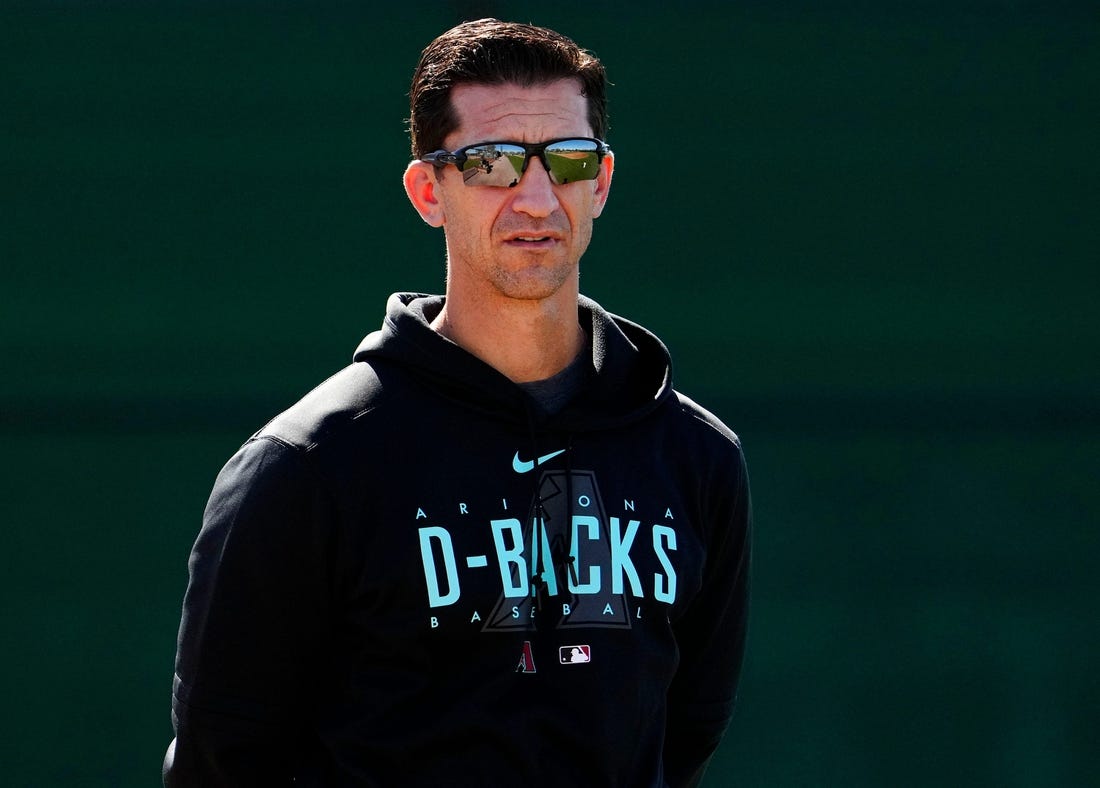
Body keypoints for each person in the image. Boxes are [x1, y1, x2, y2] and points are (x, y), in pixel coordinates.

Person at [164, 17, 752, 788]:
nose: (538, 198)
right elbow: (221, 762)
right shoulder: (307, 467)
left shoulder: (696, 458)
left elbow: (685, 734)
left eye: (568, 160)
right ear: (427, 191)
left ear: (601, 182)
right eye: (493, 162)